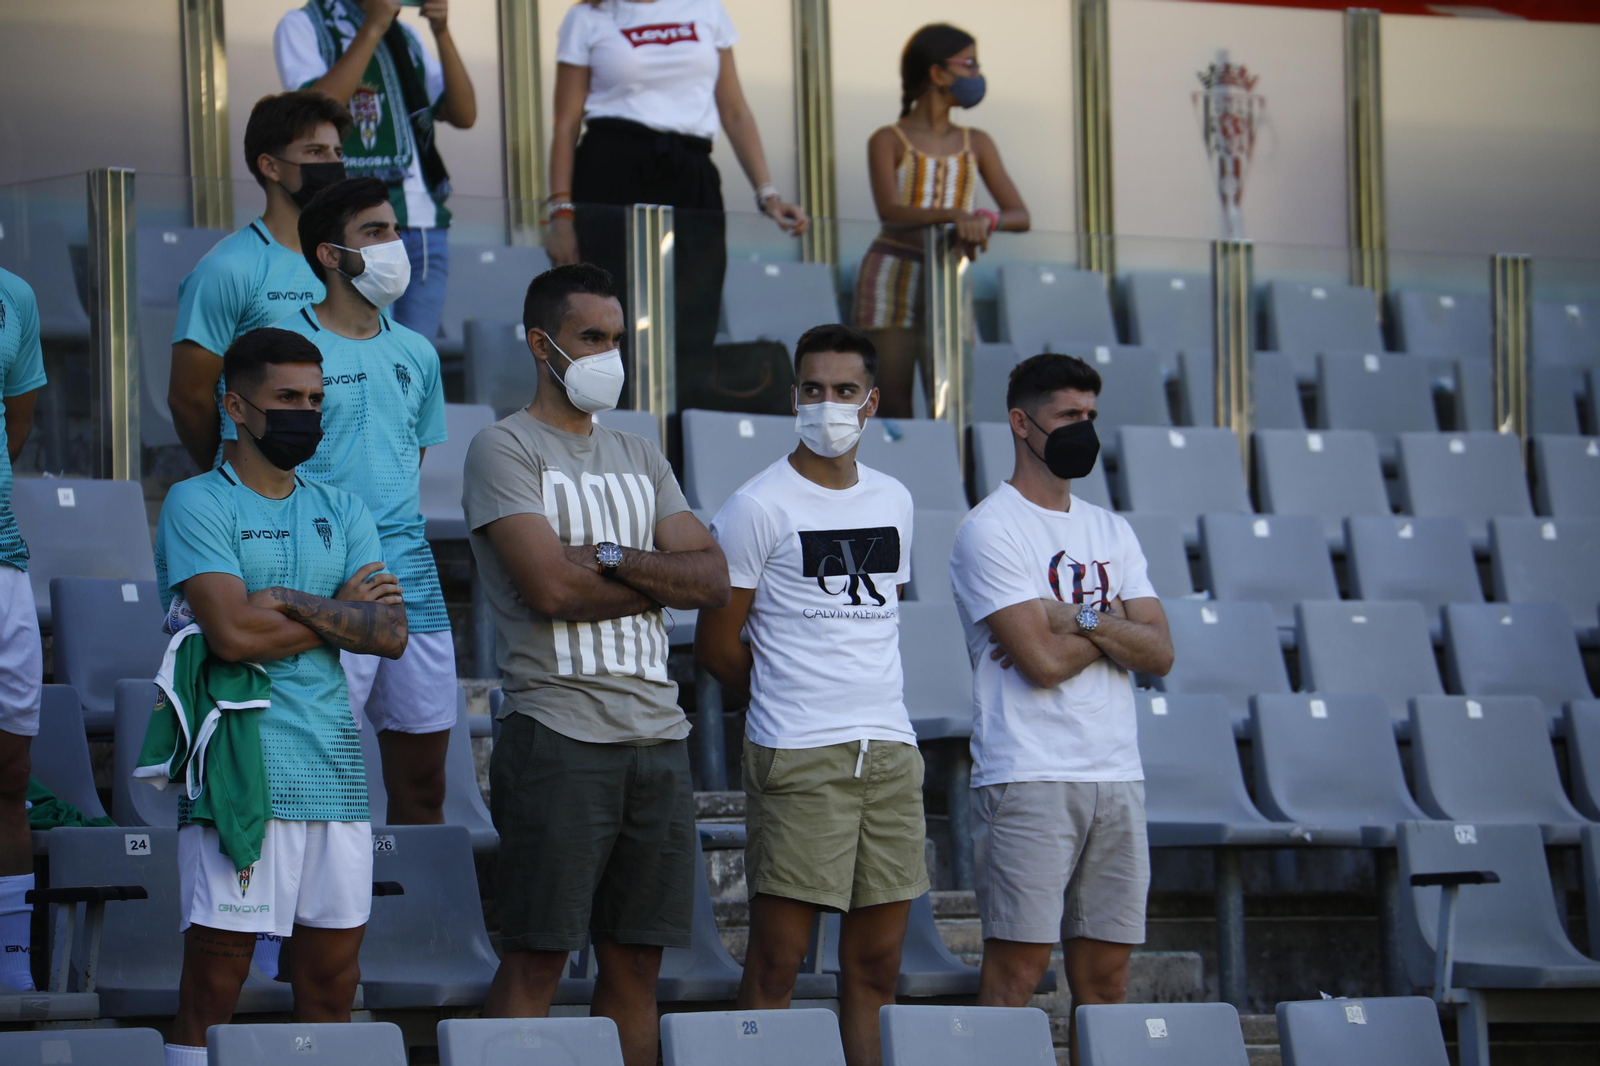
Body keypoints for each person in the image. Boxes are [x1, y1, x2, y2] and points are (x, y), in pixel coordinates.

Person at [463, 264, 729, 1066]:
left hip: (657, 737)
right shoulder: (502, 447)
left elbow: (713, 579)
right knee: (539, 954)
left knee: (638, 962)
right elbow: (548, 587)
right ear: (542, 345)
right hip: (559, 733)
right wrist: (655, 581)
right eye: (592, 339)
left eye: (617, 339)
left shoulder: (639, 453)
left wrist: (610, 559)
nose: (609, 355)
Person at [157, 327, 407, 1066]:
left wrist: (291, 602)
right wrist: (338, 614)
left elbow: (390, 631)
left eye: (316, 400)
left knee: (333, 983)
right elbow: (231, 635)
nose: (306, 412)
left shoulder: (345, 507)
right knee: (215, 982)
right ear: (236, 405)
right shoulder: (196, 501)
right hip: (240, 769)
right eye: (287, 398)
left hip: (333, 771)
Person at [696, 324, 925, 1066]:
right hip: (798, 753)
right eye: (815, 390)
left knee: (876, 968)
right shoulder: (757, 505)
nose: (829, 404)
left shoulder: (896, 498)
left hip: (890, 753)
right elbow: (717, 646)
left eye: (845, 391)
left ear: (872, 402)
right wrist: (790, 698)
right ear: (794, 397)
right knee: (776, 965)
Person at [947, 354, 1173, 1066]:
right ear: (1022, 423)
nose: (1084, 430)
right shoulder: (991, 529)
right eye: (1069, 416)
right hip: (1031, 774)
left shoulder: (1113, 530)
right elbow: (1040, 666)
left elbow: (1162, 652)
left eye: (1091, 417)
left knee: (1107, 983)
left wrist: (1070, 615)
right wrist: (1111, 627)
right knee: (1015, 977)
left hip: (1117, 775)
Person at [273, 176, 453, 826]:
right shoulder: (282, 351)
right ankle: (308, 926)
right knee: (312, 780)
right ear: (329, 253)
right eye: (374, 232)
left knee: (424, 783)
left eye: (395, 230)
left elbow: (410, 463)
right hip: (323, 580)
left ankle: (416, 922)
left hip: (412, 582)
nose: (393, 245)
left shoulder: (417, 352)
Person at [547, 0, 808, 375]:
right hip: (611, 171)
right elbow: (565, 124)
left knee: (694, 316)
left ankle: (678, 425)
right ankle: (615, 425)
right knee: (611, 315)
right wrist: (561, 213)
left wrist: (768, 193)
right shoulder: (588, 16)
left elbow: (734, 111)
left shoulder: (706, 9)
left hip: (691, 173)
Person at [169, 91, 353, 472]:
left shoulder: (353, 263)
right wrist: (231, 471)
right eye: (316, 152)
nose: (333, 165)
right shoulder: (228, 268)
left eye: (337, 153)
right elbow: (189, 397)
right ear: (270, 166)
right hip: (260, 495)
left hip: (341, 499)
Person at [852, 23, 1029, 418]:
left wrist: (984, 220)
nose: (976, 75)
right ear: (937, 73)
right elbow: (890, 212)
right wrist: (955, 216)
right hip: (890, 277)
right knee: (890, 402)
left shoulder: (977, 141)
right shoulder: (888, 138)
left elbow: (1020, 215)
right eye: (969, 64)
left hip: (949, 281)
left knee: (952, 404)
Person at [275, 0, 477, 340]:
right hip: (356, 229)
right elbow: (313, 111)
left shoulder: (407, 35)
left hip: (425, 225)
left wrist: (441, 31)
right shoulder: (302, 24)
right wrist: (373, 26)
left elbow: (464, 113)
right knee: (364, 348)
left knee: (414, 359)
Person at [0, 266, 47, 993]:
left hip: (2, 561)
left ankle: (10, 970)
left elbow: (19, 417)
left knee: (7, 781)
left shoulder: (13, 292)